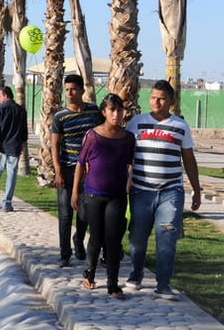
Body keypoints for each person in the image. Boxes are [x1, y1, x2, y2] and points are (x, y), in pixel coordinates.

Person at [125, 80, 202, 300]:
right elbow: (127, 155)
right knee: (138, 237)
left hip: (171, 192)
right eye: (153, 97)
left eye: (161, 98)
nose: (156, 102)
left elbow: (188, 159)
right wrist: (125, 180)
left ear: (171, 101)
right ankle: (136, 274)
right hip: (141, 190)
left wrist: (196, 190)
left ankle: (163, 284)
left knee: (166, 237)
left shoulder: (180, 126)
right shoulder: (136, 123)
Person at [71, 93, 135, 300]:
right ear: (104, 112)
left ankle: (113, 284)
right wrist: (75, 192)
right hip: (93, 194)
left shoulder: (127, 138)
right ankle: (89, 272)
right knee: (96, 237)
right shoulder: (93, 135)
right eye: (112, 110)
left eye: (119, 110)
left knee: (114, 239)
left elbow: (131, 163)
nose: (117, 114)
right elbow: (81, 163)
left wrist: (129, 182)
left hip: (116, 195)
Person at [50, 74, 99, 267]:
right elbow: (55, 145)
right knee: (64, 213)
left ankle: (78, 239)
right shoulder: (60, 116)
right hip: (68, 168)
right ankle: (64, 254)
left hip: (89, 170)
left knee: (84, 211)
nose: (69, 93)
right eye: (67, 89)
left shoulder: (93, 111)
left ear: (81, 90)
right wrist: (58, 170)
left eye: (73, 89)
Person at [0, 86, 28, 213]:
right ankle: (7, 203)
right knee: (11, 175)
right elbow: (24, 130)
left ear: (5, 95)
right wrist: (22, 145)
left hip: (1, 147)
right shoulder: (21, 110)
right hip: (15, 146)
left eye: (0, 96)